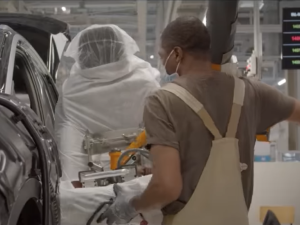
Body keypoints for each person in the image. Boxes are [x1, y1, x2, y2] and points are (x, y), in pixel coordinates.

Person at [99, 16, 300, 225]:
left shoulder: (162, 101)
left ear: (176, 53)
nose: (161, 61)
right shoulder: (251, 92)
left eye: (162, 55)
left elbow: (167, 186)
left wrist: (130, 206)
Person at [55, 24, 160, 181]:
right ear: (121, 49)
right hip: (144, 177)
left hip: (93, 179)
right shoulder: (146, 82)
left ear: (83, 54)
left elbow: (69, 147)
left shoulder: (72, 90)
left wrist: (74, 186)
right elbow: (161, 133)